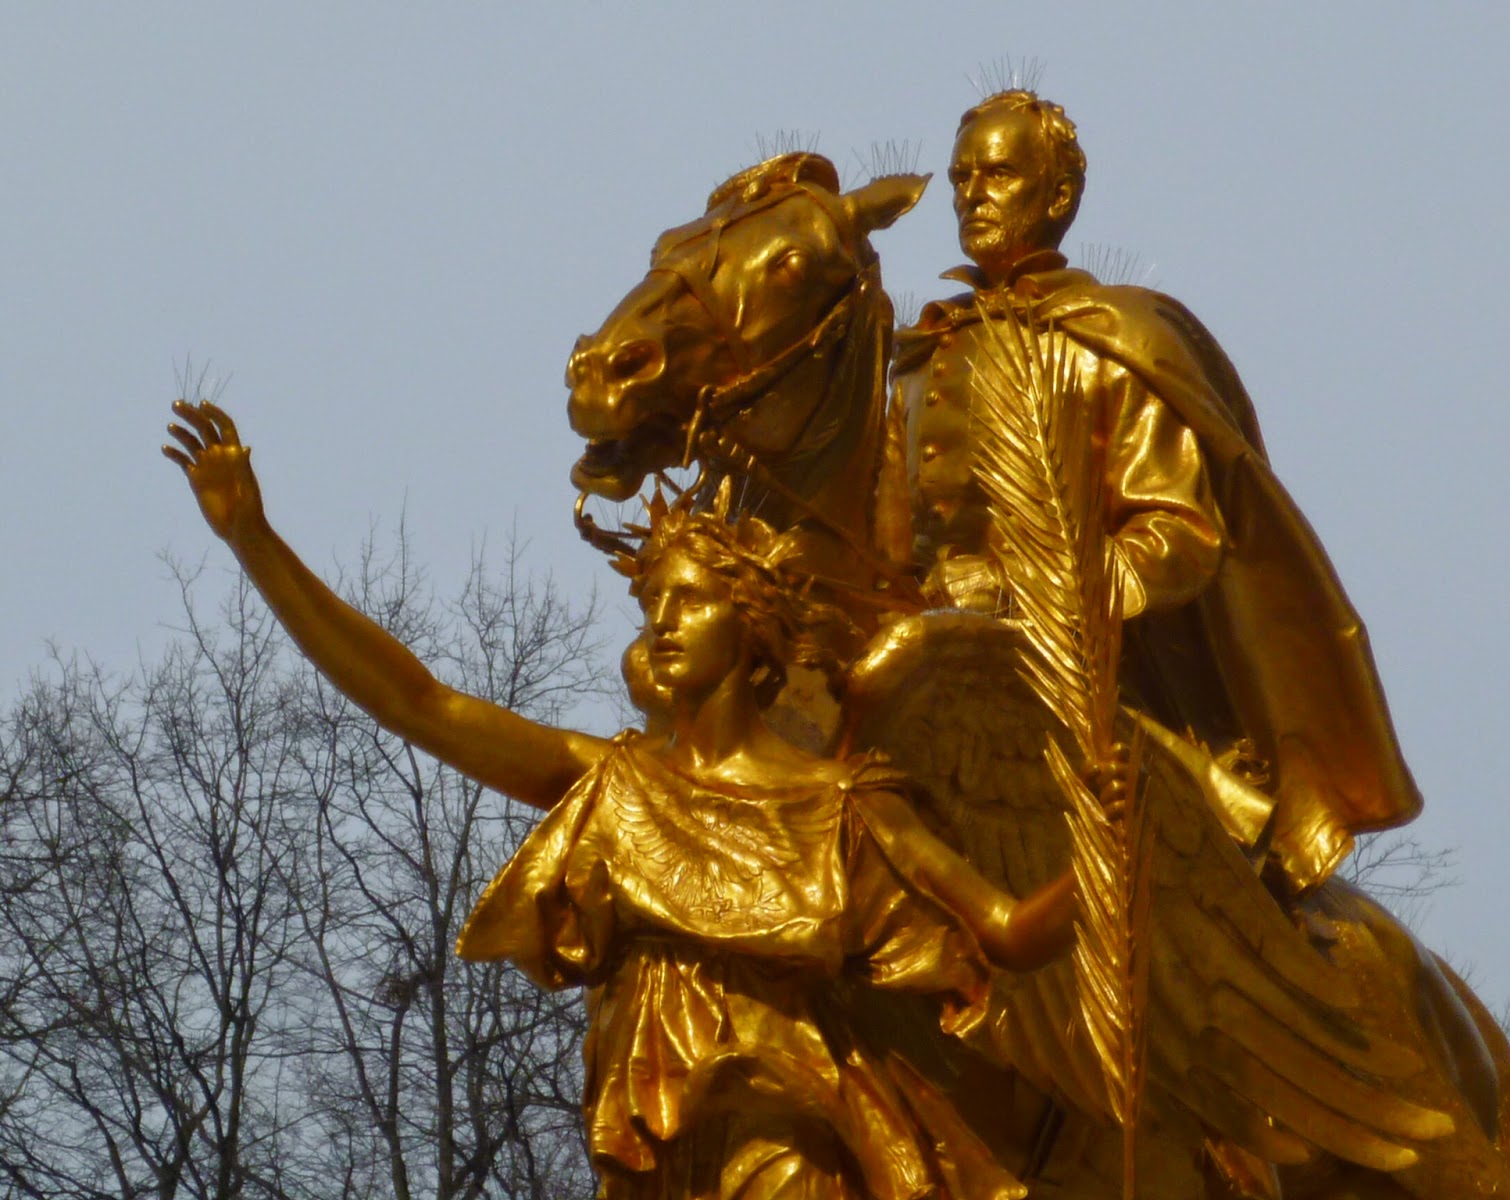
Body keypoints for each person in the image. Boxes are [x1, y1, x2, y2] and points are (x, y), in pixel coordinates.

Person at [163, 400, 1082, 1200]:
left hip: (789, 1141)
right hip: (655, 1146)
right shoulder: (616, 783)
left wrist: (1109, 850)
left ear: (751, 624)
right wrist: (255, 540)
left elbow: (1007, 931)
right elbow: (419, 703)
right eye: (653, 605)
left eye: (689, 600)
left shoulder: (844, 807)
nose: (663, 620)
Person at [891, 90, 1422, 894]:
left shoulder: (1112, 341)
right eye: (964, 176)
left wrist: (1017, 591)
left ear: (1058, 195)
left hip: (1098, 688)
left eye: (999, 172)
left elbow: (1177, 540)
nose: (975, 193)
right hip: (929, 672)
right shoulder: (919, 363)